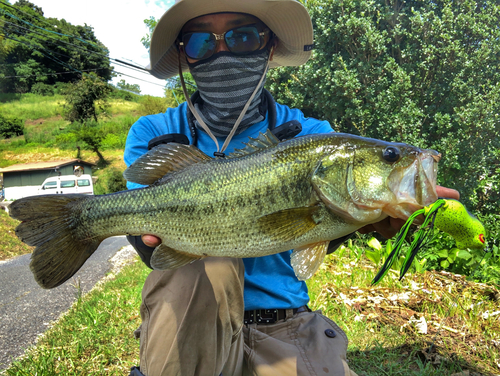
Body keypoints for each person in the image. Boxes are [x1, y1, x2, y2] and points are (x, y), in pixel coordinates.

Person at [124, 1, 460, 375]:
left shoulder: (313, 136)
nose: (222, 52)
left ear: (268, 47)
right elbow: (150, 248)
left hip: (285, 325)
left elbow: (312, 234)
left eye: (242, 36)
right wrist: (143, 237)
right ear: (185, 56)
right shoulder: (153, 135)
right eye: (202, 41)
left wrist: (362, 222)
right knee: (206, 262)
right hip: (191, 319)